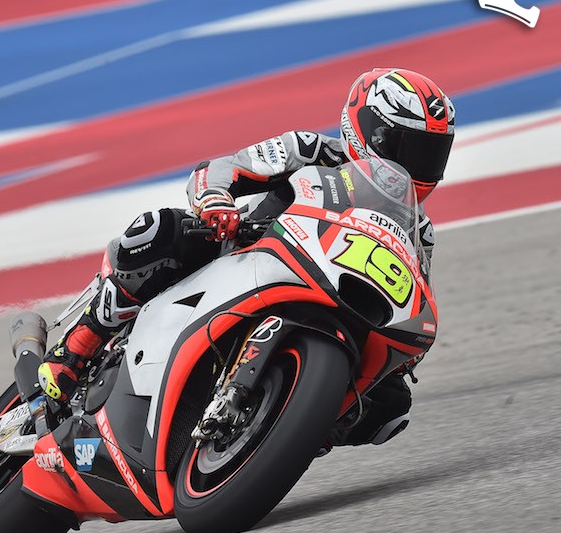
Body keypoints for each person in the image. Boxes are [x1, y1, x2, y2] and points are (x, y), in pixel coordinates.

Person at [38, 68, 455, 447]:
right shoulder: (311, 149)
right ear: (370, 132)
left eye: (431, 154)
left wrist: (406, 347)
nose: (418, 165)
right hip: (243, 251)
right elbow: (224, 168)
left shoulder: (419, 230)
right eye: (410, 148)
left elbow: (413, 297)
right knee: (158, 230)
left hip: (331, 295)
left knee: (391, 405)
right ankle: (78, 346)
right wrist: (216, 199)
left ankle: (288, 423)